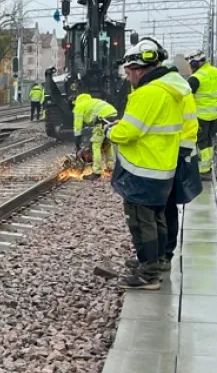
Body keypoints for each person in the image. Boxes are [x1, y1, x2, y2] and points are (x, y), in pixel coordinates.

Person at [106, 38, 184, 290]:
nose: (128, 77)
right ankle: (156, 262)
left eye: (129, 72)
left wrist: (110, 131)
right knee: (157, 219)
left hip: (143, 170)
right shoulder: (167, 91)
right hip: (161, 167)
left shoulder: (147, 93)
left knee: (142, 222)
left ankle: (148, 274)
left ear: (139, 70)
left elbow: (129, 132)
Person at [160, 58, 202, 262]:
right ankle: (166, 250)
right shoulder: (183, 88)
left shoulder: (169, 91)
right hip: (182, 150)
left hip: (172, 152)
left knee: (165, 204)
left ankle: (165, 251)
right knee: (169, 204)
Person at [185, 50, 217, 178]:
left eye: (191, 64)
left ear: (195, 63)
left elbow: (184, 96)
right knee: (208, 140)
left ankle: (204, 169)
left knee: (201, 142)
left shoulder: (196, 78)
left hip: (200, 115)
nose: (191, 67)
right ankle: (207, 165)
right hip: (214, 114)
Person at [72, 93, 118, 180]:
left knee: (96, 146)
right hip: (113, 117)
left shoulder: (79, 106)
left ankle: (96, 172)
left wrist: (77, 141)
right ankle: (111, 168)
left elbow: (78, 126)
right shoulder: (91, 102)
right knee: (107, 144)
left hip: (103, 120)